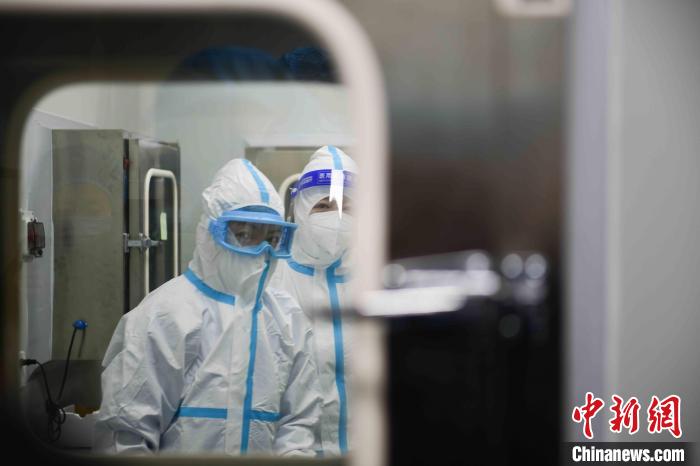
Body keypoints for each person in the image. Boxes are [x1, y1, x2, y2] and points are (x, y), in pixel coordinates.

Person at [94, 159, 321, 456]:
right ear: (211, 232)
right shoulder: (165, 315)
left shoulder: (286, 318)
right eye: (245, 235)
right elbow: (127, 434)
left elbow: (298, 425)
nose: (262, 250)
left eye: (272, 238)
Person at [271, 145, 357, 456]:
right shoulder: (272, 281)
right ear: (301, 209)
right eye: (323, 206)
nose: (336, 218)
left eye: (347, 207)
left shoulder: (374, 281)